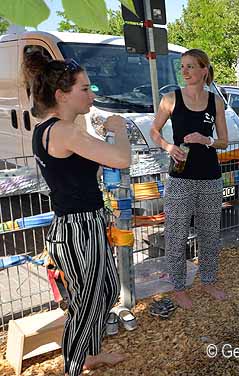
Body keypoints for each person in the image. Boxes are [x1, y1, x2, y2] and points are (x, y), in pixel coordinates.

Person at [25, 52, 131, 375]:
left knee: (109, 288)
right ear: (62, 95)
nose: (92, 95)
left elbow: (82, 172)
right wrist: (119, 127)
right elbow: (121, 159)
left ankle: (91, 353)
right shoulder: (63, 132)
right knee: (86, 303)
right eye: (84, 89)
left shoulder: (56, 129)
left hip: (84, 223)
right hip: (77, 230)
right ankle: (73, 366)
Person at [150, 49, 228, 309]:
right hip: (180, 177)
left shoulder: (215, 101)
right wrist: (168, 147)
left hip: (210, 177)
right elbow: (154, 130)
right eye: (182, 66)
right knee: (177, 234)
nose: (184, 71)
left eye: (191, 66)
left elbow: (224, 141)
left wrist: (207, 140)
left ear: (204, 70)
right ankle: (179, 287)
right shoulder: (170, 99)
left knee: (209, 233)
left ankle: (208, 281)